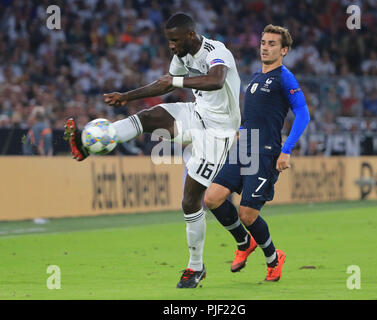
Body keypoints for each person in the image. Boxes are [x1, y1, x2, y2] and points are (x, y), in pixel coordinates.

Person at [63, 13, 241, 288]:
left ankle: (196, 267)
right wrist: (126, 96)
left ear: (190, 36)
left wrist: (177, 83)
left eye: (175, 40)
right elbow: (164, 82)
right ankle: (86, 146)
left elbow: (216, 80)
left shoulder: (217, 51)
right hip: (196, 115)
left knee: (191, 201)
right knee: (148, 117)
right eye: (169, 41)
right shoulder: (182, 55)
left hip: (218, 133)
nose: (171, 46)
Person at [204, 25, 310, 282]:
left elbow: (303, 114)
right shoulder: (255, 77)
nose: (265, 46)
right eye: (263, 42)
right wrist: (240, 130)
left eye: (272, 43)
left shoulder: (285, 77)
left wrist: (286, 150)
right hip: (243, 147)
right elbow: (253, 115)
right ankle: (243, 242)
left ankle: (274, 258)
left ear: (284, 50)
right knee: (212, 198)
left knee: (247, 214)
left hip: (265, 152)